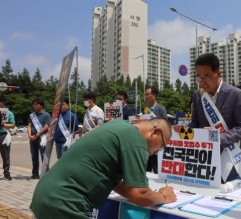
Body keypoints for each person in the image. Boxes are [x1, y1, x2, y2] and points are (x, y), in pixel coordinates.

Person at [30, 118, 177, 219]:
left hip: (45, 195)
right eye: (162, 146)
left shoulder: (119, 126)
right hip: (67, 204)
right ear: (156, 132)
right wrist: (164, 197)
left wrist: (142, 194)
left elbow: (115, 183)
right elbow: (140, 195)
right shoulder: (137, 140)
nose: (157, 152)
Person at [177, 53, 241, 183]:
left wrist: (218, 138)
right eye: (198, 77)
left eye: (206, 76)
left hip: (229, 158)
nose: (202, 81)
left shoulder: (235, 94)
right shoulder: (197, 96)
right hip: (204, 160)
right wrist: (184, 130)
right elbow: (195, 123)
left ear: (218, 73)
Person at [144, 86, 167, 174]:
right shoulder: (145, 110)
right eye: (145, 94)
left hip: (157, 145)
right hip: (146, 144)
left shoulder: (161, 109)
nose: (145, 96)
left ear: (154, 95)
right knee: (147, 169)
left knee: (157, 169)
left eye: (147, 94)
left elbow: (165, 127)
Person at [27, 98, 51, 180]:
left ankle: (45, 174)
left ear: (41, 105)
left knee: (44, 157)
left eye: (37, 104)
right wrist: (30, 136)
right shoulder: (31, 115)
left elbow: (46, 127)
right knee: (34, 157)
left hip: (42, 138)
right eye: (34, 104)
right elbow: (29, 126)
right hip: (32, 139)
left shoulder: (46, 115)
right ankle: (35, 174)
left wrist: (36, 135)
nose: (35, 106)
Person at [0, 94, 16, 181]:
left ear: (2, 102)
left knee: (5, 155)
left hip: (3, 135)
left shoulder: (9, 113)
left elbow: (13, 125)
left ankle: (6, 173)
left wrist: (3, 124)